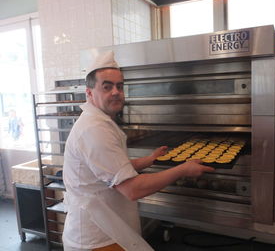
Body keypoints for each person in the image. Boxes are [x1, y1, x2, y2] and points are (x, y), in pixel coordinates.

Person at [62, 50, 214, 251]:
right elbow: (132, 189)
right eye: (107, 87)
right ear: (89, 93)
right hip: (97, 236)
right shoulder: (94, 129)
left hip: (108, 226)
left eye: (119, 86)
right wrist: (182, 170)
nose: (116, 92)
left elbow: (110, 170)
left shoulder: (100, 122)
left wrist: (149, 160)